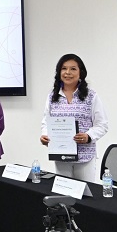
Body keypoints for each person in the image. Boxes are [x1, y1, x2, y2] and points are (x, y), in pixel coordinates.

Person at [40, 54, 108, 182]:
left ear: (80, 73)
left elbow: (102, 124)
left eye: (73, 69)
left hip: (85, 155)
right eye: (64, 68)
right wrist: (45, 135)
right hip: (61, 154)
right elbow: (46, 121)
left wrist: (88, 136)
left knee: (84, 194)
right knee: (63, 192)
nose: (68, 73)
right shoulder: (52, 97)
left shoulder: (91, 96)